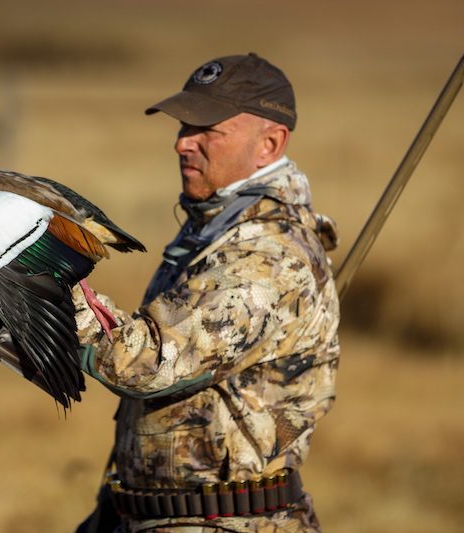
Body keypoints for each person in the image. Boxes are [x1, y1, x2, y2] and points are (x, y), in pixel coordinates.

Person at [73, 53, 340, 532]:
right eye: (181, 126)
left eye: (207, 129)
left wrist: (48, 283)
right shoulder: (215, 231)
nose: (182, 143)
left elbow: (147, 364)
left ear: (270, 143)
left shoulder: (269, 256)